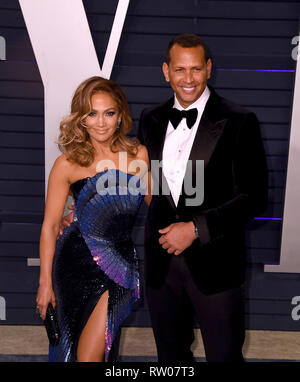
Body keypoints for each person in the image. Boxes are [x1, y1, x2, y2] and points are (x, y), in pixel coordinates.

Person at [137, 33, 268, 362]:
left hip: (217, 263)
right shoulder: (149, 118)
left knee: (224, 357)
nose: (188, 78)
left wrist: (195, 228)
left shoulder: (240, 121)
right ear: (166, 71)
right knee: (171, 359)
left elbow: (254, 198)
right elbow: (138, 180)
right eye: (180, 70)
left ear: (208, 69)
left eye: (196, 69)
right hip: (161, 263)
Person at [36, 76, 151, 362]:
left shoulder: (138, 155)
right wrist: (45, 282)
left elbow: (161, 205)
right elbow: (50, 226)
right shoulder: (67, 163)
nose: (101, 122)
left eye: (109, 113)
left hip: (116, 267)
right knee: (71, 352)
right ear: (81, 118)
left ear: (120, 115)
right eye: (92, 113)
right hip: (72, 265)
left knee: (90, 357)